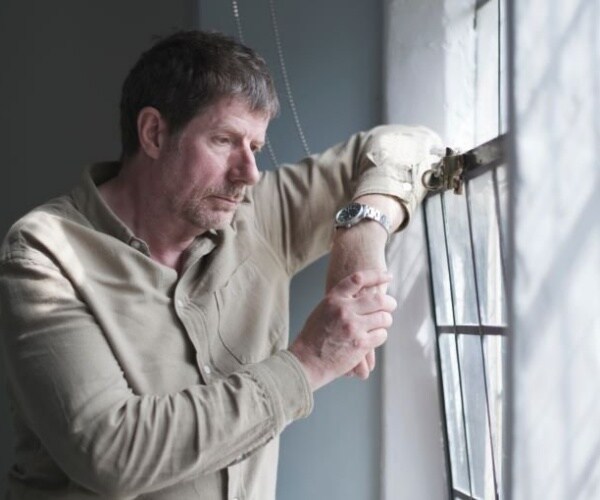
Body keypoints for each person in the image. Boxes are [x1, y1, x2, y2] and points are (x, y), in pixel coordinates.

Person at [0, 31, 442, 499]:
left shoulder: (260, 215)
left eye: (255, 146)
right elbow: (111, 452)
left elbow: (413, 145)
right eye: (225, 140)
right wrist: (309, 362)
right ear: (153, 133)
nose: (248, 172)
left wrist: (359, 235)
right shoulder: (43, 254)